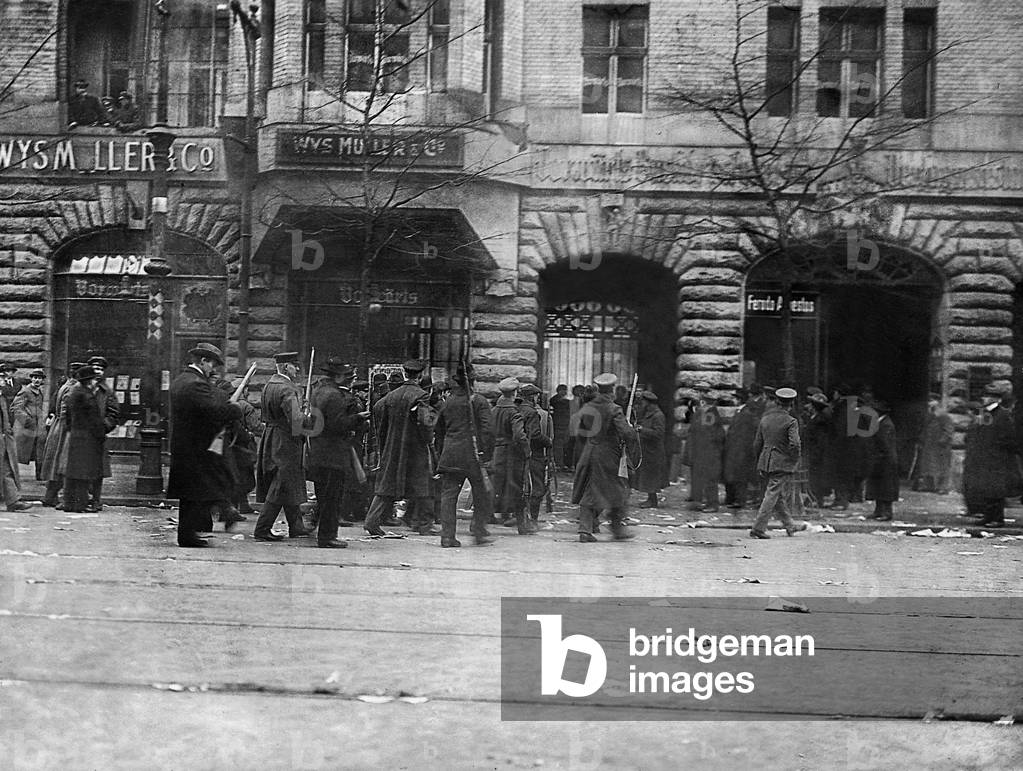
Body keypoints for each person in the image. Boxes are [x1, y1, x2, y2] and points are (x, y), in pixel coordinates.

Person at [166, 344, 244, 547]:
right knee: (199, 489)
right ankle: (192, 533)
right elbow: (213, 412)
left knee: (191, 494)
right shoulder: (195, 384)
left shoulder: (182, 380)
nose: (214, 369)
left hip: (187, 446)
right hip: (196, 448)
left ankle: (188, 534)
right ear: (202, 361)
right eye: (213, 364)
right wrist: (234, 410)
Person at [364, 360, 436, 537]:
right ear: (419, 376)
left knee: (386, 484)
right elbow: (425, 422)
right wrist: (428, 440)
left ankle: (371, 522)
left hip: (393, 446)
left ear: (405, 374)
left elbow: (377, 408)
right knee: (422, 484)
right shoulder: (421, 395)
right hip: (415, 448)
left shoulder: (392, 395)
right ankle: (424, 525)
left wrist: (386, 433)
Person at [307, 358, 368, 549]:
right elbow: (338, 425)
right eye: (347, 376)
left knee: (323, 495)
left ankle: (324, 533)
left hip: (318, 451)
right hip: (333, 453)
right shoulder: (334, 396)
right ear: (339, 376)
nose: (349, 380)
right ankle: (327, 537)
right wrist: (358, 418)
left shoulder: (318, 391)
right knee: (332, 498)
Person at [254, 352, 314, 541]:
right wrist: (308, 417)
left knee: (287, 482)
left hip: (271, 436)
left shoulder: (269, 385)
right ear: (286, 366)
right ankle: (262, 529)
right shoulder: (288, 389)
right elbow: (296, 421)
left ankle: (296, 526)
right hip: (286, 440)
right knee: (282, 482)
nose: (297, 369)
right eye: (295, 366)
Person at [573, 373, 639, 542]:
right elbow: (626, 433)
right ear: (612, 390)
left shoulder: (588, 407)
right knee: (618, 489)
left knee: (590, 490)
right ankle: (617, 530)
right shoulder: (613, 408)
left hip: (589, 452)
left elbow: (580, 432)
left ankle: (585, 530)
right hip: (608, 454)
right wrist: (632, 430)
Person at [435, 362, 495, 547]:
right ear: (473, 380)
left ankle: (447, 536)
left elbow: (439, 431)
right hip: (473, 456)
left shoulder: (448, 402)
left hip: (451, 454)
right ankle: (478, 531)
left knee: (449, 495)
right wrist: (487, 453)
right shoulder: (479, 401)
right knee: (483, 493)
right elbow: (488, 430)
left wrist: (441, 454)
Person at [750, 387, 806, 539]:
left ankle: (790, 525)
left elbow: (757, 444)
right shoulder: (790, 421)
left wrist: (759, 461)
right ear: (791, 404)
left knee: (776, 494)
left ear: (776, 402)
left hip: (765, 461)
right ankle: (758, 528)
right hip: (781, 462)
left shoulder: (765, 419)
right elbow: (795, 444)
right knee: (772, 494)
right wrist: (794, 459)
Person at [962, 384, 1017, 528]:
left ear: (997, 399)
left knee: (996, 490)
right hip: (983, 458)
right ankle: (988, 516)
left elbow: (1009, 437)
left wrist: (996, 449)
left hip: (996, 459)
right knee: (985, 489)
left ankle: (997, 519)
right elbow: (976, 433)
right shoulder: (983, 414)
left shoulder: (1004, 415)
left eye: (988, 396)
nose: (984, 398)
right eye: (984, 395)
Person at [39, 362, 83, 508]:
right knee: (65, 463)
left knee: (55, 464)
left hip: (58, 427)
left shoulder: (65, 385)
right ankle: (66, 499)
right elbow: (66, 410)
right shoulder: (73, 388)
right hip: (65, 428)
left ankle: (49, 497)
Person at [490, 377, 530, 533]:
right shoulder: (514, 412)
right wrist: (527, 450)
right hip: (510, 455)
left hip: (495, 452)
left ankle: (477, 523)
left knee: (493, 488)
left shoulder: (493, 410)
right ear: (514, 392)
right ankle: (522, 525)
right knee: (516, 487)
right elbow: (519, 435)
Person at [63, 366, 105, 513]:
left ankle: (69, 503)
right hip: (88, 438)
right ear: (89, 381)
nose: (95, 382)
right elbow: (95, 420)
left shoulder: (74, 393)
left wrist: (71, 429)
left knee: (73, 471)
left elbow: (67, 415)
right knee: (84, 472)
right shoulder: (88, 396)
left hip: (75, 435)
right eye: (94, 379)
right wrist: (101, 434)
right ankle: (81, 504)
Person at [685, 382, 724, 513]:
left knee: (710, 478)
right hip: (700, 451)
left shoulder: (709, 413)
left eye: (699, 392)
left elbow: (709, 433)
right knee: (701, 477)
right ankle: (699, 501)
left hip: (708, 452)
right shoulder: (701, 411)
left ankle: (712, 504)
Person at [722, 385, 763, 510]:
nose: (734, 400)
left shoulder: (745, 413)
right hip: (734, 448)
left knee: (740, 476)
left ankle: (740, 500)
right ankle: (734, 498)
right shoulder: (741, 411)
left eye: (736, 398)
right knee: (734, 474)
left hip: (740, 449)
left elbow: (744, 434)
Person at [86, 355, 119, 511]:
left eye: (100, 369)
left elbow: (113, 413)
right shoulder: (83, 387)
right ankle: (82, 498)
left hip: (98, 436)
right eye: (95, 368)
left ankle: (95, 500)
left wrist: (104, 427)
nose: (98, 372)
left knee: (97, 470)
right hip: (82, 434)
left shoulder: (108, 391)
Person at [518, 383, 553, 527]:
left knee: (523, 487)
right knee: (537, 488)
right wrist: (548, 441)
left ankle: (522, 518)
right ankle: (532, 520)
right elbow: (536, 435)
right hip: (534, 454)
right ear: (533, 397)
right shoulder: (533, 413)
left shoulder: (518, 409)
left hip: (519, 453)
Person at [866, 400, 899, 521]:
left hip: (885, 460)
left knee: (886, 487)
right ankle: (878, 511)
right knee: (878, 487)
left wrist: (877, 456)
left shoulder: (885, 424)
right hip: (881, 459)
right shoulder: (880, 422)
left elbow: (885, 445)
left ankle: (887, 512)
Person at [11, 369, 47, 478]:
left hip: (37, 427)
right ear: (31, 379)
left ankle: (40, 475)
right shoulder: (25, 391)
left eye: (39, 378)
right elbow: (15, 408)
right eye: (35, 378)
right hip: (26, 428)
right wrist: (27, 420)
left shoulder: (40, 392)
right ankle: (10, 475)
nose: (37, 380)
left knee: (39, 451)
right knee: (17, 452)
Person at [632, 390, 666, 508]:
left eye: (644, 402)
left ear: (649, 402)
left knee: (652, 477)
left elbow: (659, 433)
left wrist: (642, 430)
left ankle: (652, 501)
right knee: (648, 477)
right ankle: (651, 499)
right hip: (648, 450)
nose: (642, 404)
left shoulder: (658, 415)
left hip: (654, 452)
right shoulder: (649, 414)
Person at [916, 393, 953, 494]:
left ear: (937, 402)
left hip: (940, 445)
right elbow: (925, 428)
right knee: (927, 466)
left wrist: (943, 440)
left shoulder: (942, 414)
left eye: (932, 401)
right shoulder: (929, 414)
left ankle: (943, 487)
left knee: (942, 466)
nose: (930, 403)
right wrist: (921, 440)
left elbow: (948, 430)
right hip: (929, 444)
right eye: (929, 401)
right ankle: (929, 485)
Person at [803, 391, 834, 507]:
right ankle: (814, 498)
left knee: (817, 476)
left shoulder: (820, 420)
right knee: (815, 476)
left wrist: (815, 453)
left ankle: (816, 498)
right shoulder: (816, 417)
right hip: (816, 452)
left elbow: (820, 439)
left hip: (817, 453)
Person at [550, 384, 571, 470]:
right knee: (559, 445)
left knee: (562, 445)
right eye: (563, 390)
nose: (565, 392)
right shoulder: (559, 401)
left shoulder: (554, 400)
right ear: (558, 391)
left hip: (561, 425)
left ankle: (560, 462)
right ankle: (559, 463)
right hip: (559, 425)